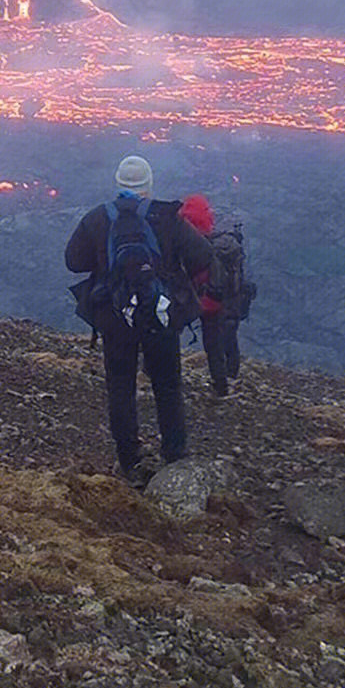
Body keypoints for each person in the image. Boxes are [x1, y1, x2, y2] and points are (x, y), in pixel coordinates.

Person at [65, 155, 211, 485]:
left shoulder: (98, 218)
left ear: (118, 184)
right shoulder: (167, 218)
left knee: (120, 387)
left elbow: (73, 261)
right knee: (168, 385)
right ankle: (174, 453)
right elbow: (203, 255)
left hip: (117, 318)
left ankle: (130, 462)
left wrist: (106, 265)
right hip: (159, 315)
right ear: (148, 186)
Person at [179, 194, 246, 399]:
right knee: (214, 345)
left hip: (188, 298)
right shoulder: (223, 245)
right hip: (214, 302)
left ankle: (156, 374)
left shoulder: (183, 238)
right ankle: (221, 384)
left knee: (169, 334)